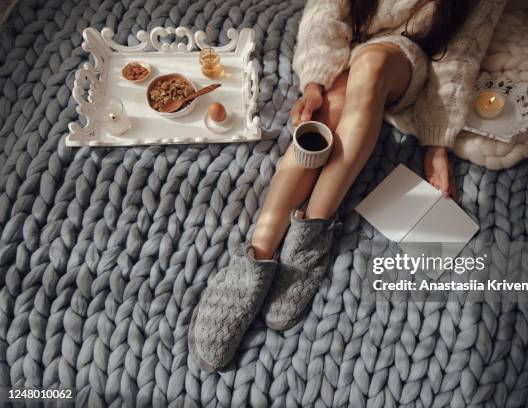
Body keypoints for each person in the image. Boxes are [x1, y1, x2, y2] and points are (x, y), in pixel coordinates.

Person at [189, 0, 507, 371]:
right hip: (347, 48)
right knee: (323, 120)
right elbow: (326, 14)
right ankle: (259, 250)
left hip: (404, 61)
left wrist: (436, 144)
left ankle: (312, 231)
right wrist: (314, 84)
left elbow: (459, 56)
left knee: (371, 65)